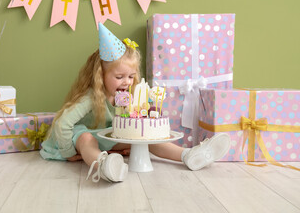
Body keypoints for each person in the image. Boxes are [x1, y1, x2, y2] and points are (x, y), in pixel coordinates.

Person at [40, 23, 231, 183]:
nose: (127, 82)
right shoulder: (91, 97)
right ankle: (103, 165)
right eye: (119, 76)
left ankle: (188, 154)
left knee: (143, 138)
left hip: (105, 137)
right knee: (86, 139)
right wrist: (68, 152)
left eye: (131, 76)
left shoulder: (129, 95)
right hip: (78, 139)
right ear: (101, 76)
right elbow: (63, 122)